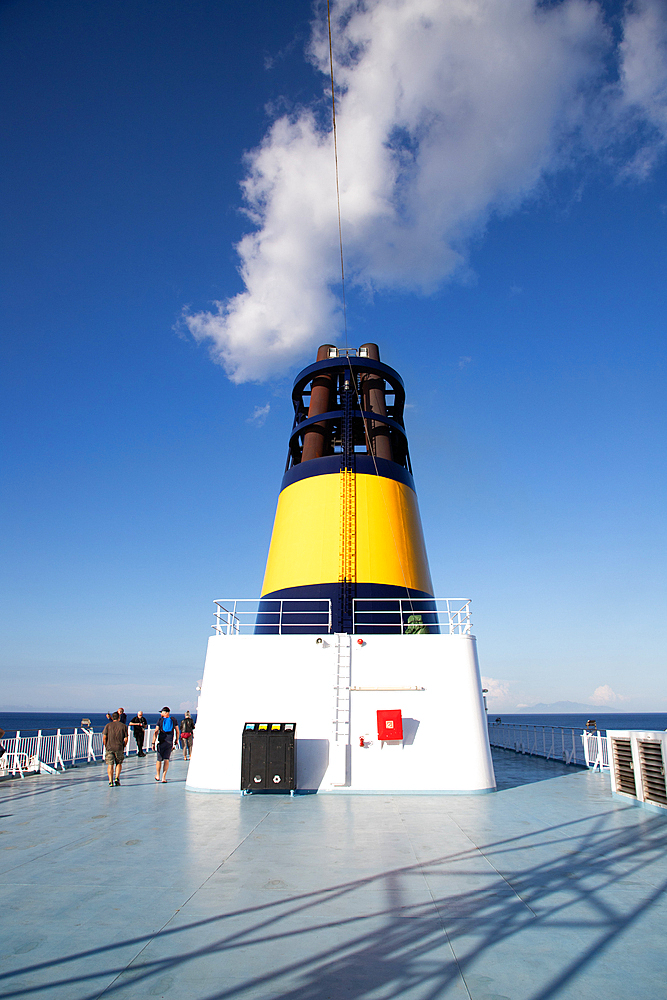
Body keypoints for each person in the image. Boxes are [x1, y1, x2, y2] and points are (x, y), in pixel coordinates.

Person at [152, 707, 180, 783]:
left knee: (159, 760)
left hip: (161, 742)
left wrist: (153, 742)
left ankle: (158, 775)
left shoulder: (160, 720)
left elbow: (156, 731)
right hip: (169, 742)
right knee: (166, 759)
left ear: (165, 712)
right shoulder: (173, 720)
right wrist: (176, 740)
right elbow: (177, 731)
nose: (161, 713)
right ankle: (164, 777)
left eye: (162, 712)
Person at [102, 711, 128, 786]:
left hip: (109, 747)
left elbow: (104, 737)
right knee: (119, 763)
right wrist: (124, 746)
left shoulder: (108, 725)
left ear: (112, 718)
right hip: (119, 747)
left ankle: (110, 781)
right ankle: (117, 778)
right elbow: (126, 739)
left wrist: (106, 745)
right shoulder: (123, 726)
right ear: (119, 717)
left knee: (110, 764)